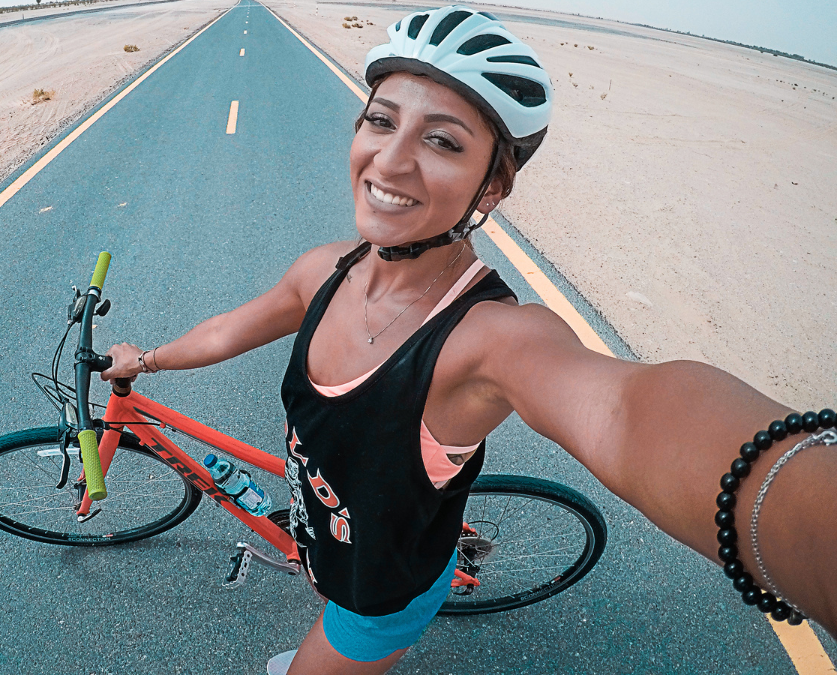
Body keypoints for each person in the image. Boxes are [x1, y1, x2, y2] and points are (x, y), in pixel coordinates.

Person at [99, 7, 837, 673]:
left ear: (490, 188)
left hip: (375, 600)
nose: (389, 161)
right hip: (336, 539)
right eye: (381, 121)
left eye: (443, 141)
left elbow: (629, 412)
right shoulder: (322, 271)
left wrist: (808, 513)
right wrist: (148, 359)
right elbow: (231, 327)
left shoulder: (489, 339)